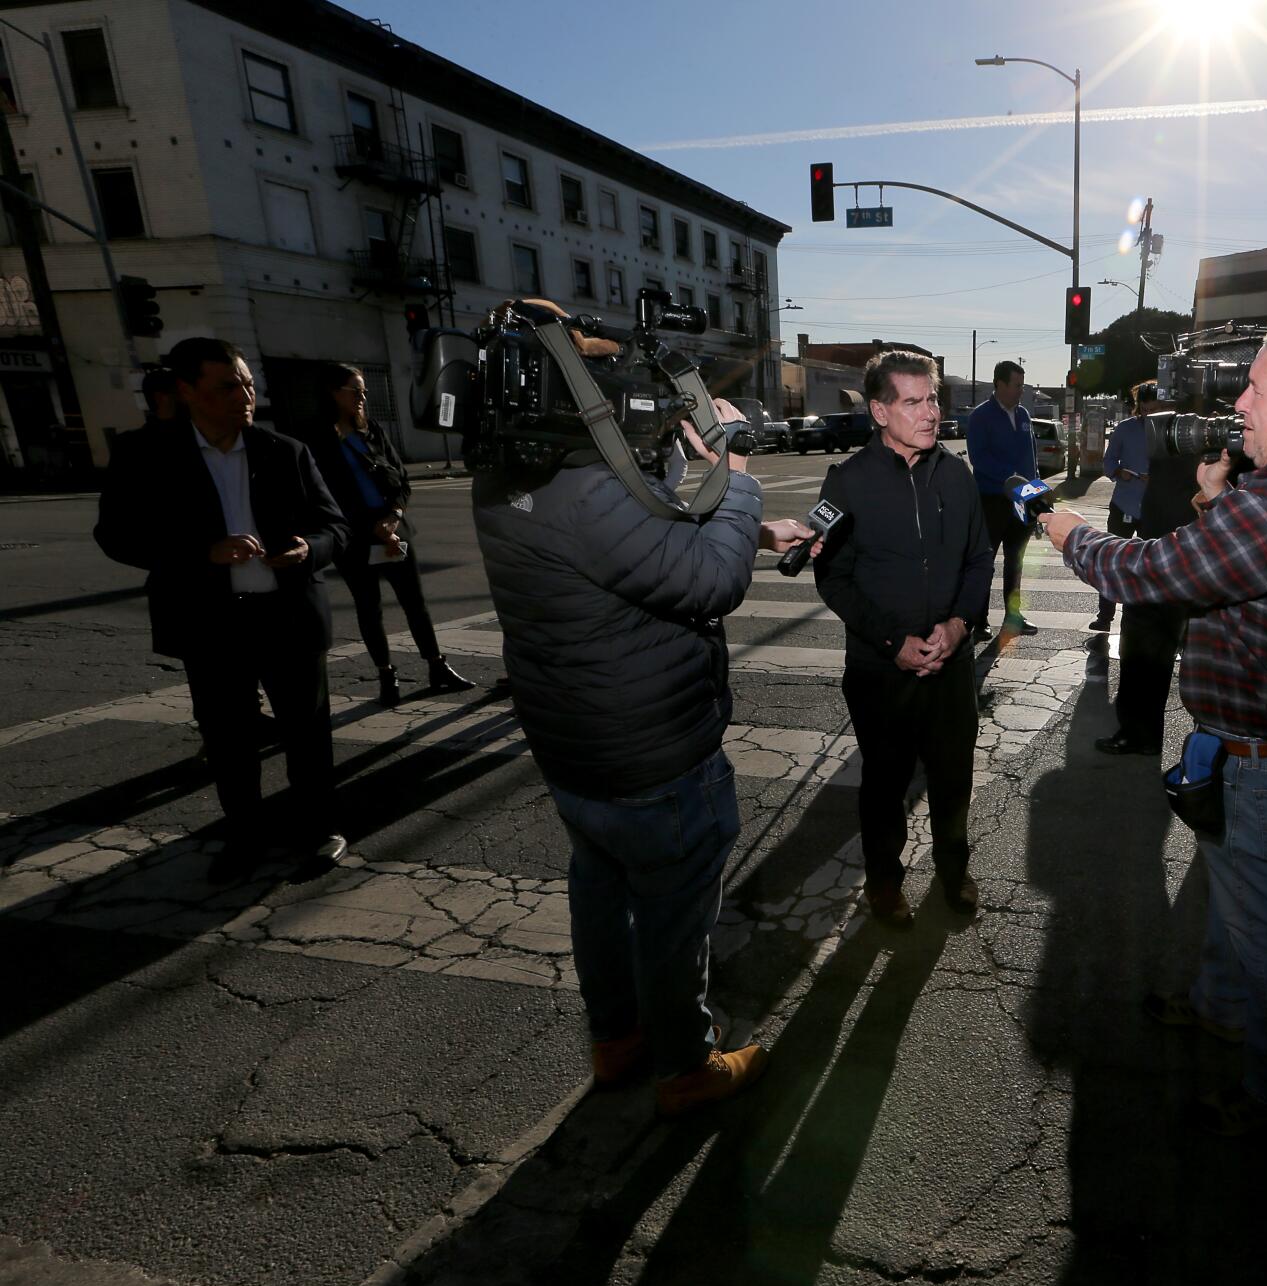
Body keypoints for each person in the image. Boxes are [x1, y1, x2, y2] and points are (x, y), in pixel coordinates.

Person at [472, 307, 818, 1115]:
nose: (620, 388)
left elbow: (640, 538)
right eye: (599, 371)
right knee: (673, 915)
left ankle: (616, 1036)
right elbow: (704, 583)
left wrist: (742, 524)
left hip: (574, 745)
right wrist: (734, 473)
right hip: (652, 750)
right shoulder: (585, 489)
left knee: (598, 889)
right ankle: (684, 1066)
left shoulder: (510, 472)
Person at [1039, 319, 1267, 1136]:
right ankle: (1220, 1007)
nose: (1238, 401)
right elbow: (1251, 562)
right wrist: (1220, 496)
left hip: (1265, 767)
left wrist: (1059, 526)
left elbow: (1147, 570)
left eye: (1256, 387)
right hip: (1262, 754)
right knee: (1239, 905)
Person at [94, 338, 350, 879]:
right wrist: (200, 553)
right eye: (228, 387)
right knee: (230, 741)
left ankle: (317, 830)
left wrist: (309, 549)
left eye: (248, 384)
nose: (245, 397)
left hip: (289, 618)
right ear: (187, 392)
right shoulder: (145, 454)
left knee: (306, 734)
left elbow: (335, 527)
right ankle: (245, 837)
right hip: (209, 621)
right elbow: (116, 535)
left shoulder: (285, 451)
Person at [813, 350, 994, 924]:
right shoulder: (847, 483)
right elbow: (832, 578)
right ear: (879, 411)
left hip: (951, 663)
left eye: (932, 398)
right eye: (912, 401)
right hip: (879, 671)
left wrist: (960, 623)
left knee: (952, 778)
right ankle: (884, 885)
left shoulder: (957, 474)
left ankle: (953, 870)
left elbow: (979, 559)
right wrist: (894, 642)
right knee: (884, 783)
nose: (929, 412)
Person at [307, 362, 474, 706]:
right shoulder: (317, 440)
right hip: (354, 538)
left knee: (416, 604)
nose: (362, 397)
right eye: (355, 391)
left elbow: (401, 479)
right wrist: (370, 526)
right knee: (369, 608)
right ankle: (387, 675)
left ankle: (437, 666)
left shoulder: (372, 430)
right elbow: (324, 494)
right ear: (333, 393)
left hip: (393, 531)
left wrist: (393, 517)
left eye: (364, 390)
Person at [1094, 388, 1203, 759]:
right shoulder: (1193, 434)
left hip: (1166, 555)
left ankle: (1139, 732)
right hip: (1170, 547)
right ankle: (1142, 732)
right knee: (1152, 647)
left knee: (1143, 647)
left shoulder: (1180, 441)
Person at [965, 359, 1038, 638]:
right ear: (1000, 384)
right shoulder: (981, 416)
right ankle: (979, 620)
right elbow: (979, 459)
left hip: (1021, 500)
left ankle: (1013, 616)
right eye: (1017, 385)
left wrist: (1035, 491)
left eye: (1022, 385)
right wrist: (1014, 477)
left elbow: (1031, 458)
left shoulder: (1023, 416)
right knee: (985, 562)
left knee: (1016, 562)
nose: (1021, 391)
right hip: (991, 500)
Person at [1089, 381, 1154, 633]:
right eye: (1146, 410)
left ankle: (1139, 617)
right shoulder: (1125, 429)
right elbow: (1107, 462)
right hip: (1123, 503)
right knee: (1112, 559)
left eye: (1154, 410)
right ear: (1139, 407)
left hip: (1153, 507)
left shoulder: (1169, 430)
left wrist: (1158, 478)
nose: (1149, 415)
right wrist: (1119, 472)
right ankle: (1105, 616)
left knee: (1149, 564)